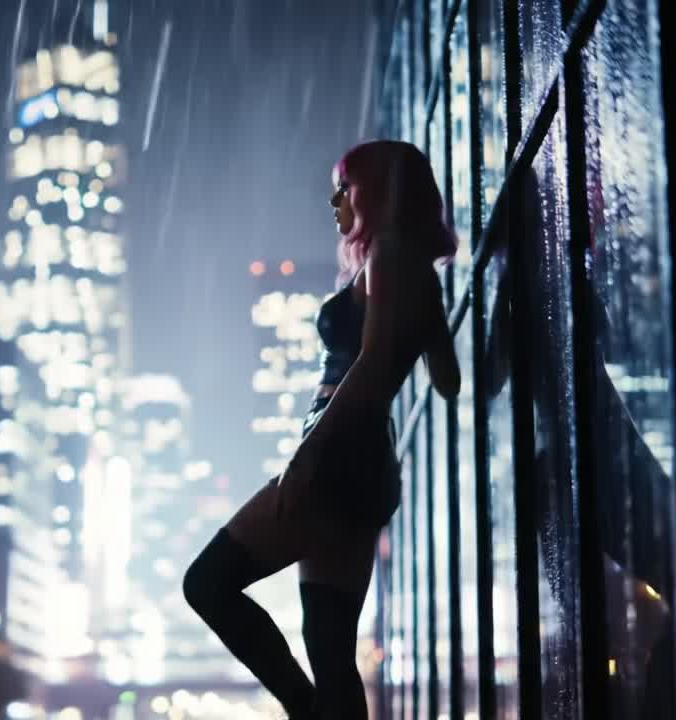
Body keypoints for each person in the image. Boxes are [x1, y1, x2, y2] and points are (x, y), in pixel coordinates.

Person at [182, 140, 460, 719]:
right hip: (366, 465)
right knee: (332, 651)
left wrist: (308, 453)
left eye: (346, 186)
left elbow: (376, 358)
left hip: (337, 457)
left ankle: (303, 711)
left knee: (207, 584)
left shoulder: (385, 254)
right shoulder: (419, 274)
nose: (335, 199)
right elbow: (447, 379)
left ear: (381, 190)